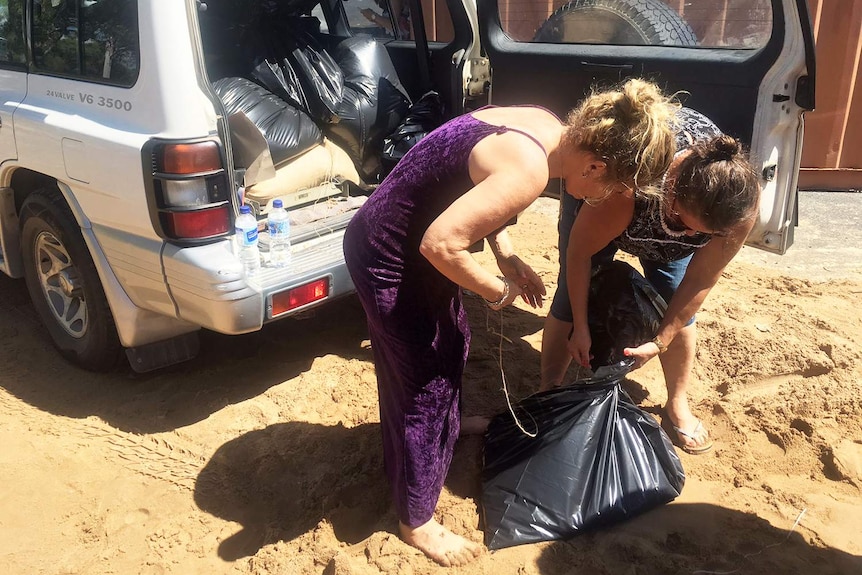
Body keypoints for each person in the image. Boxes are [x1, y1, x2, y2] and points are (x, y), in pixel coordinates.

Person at [343, 78, 678, 566]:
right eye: (610, 188)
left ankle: (447, 428)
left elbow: (480, 188)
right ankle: (416, 520)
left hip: (405, 237)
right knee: (423, 380)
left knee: (453, 341)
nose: (602, 197)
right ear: (594, 165)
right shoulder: (532, 171)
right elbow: (441, 245)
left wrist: (505, 255)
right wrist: (497, 292)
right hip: (390, 255)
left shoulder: (545, 125)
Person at [540, 106, 761, 456]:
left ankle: (677, 403)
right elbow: (579, 256)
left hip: (666, 213)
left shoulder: (738, 209)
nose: (689, 236)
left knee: (676, 300)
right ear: (672, 194)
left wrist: (660, 341)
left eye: (701, 234)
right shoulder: (625, 190)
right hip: (618, 191)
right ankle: (549, 391)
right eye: (685, 223)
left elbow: (701, 279)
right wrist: (581, 327)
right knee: (570, 297)